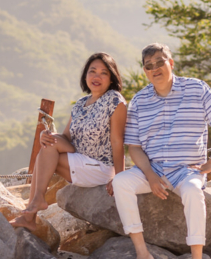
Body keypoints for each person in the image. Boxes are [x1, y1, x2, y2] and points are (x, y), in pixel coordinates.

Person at [111, 44, 211, 259]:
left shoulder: (196, 88)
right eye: (149, 66)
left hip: (187, 170)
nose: (155, 68)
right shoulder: (139, 101)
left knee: (193, 191)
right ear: (145, 71)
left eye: (160, 62)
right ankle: (143, 253)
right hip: (153, 169)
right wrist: (150, 176)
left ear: (171, 63)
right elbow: (134, 147)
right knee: (120, 182)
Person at [11, 52, 127, 230]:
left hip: (100, 166)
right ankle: (32, 210)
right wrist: (46, 136)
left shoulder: (114, 100)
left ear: (111, 78)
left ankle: (32, 209)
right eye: (92, 71)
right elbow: (66, 137)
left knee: (46, 152)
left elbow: (118, 142)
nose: (96, 76)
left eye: (104, 73)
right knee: (48, 144)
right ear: (85, 75)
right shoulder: (81, 104)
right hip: (79, 160)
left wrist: (120, 178)